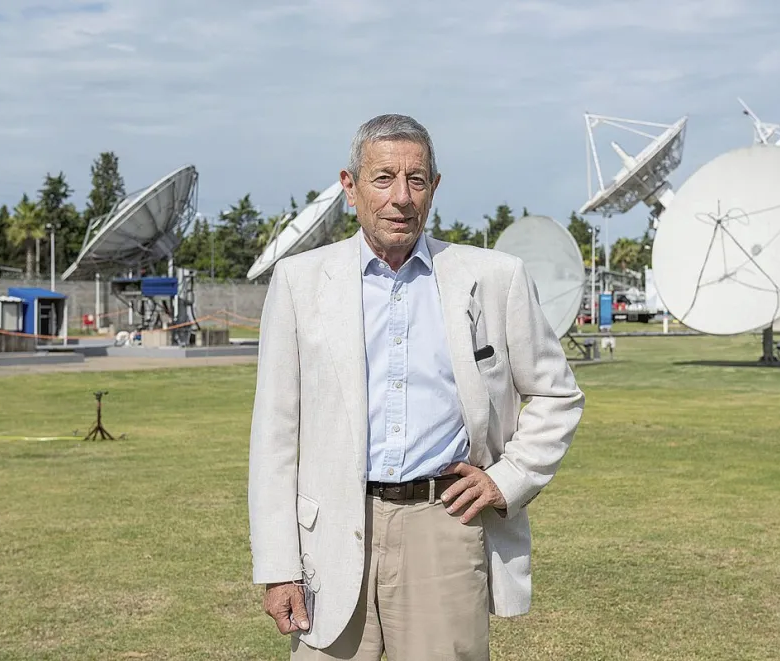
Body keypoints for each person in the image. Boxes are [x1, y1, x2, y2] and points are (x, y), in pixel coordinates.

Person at [248, 113, 584, 660]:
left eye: (417, 179)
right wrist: (279, 566)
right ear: (349, 187)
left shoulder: (496, 279)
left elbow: (557, 394)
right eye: (383, 179)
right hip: (330, 533)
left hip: (445, 528)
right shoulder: (299, 281)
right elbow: (275, 437)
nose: (401, 197)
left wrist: (510, 478)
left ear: (434, 188)